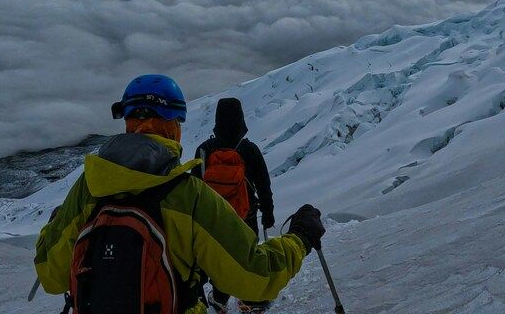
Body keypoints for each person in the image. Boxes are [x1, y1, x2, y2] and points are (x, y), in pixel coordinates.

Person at [33, 74, 325, 314]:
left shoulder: (88, 188)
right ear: (172, 127)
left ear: (128, 122)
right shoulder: (188, 196)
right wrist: (301, 237)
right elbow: (255, 276)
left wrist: (54, 227)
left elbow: (51, 275)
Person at [192, 97, 276, 313]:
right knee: (246, 259)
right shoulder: (250, 150)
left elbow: (194, 187)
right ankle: (251, 300)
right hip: (244, 217)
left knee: (216, 259)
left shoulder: (204, 149)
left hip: (213, 220)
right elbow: (263, 185)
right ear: (241, 121)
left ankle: (218, 300)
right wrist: (268, 213)